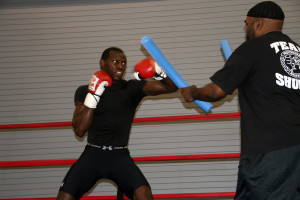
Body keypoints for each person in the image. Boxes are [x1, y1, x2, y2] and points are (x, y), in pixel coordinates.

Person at [179, 1, 300, 199]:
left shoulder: (253, 47)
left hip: (269, 151)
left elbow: (216, 91)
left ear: (258, 23)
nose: (246, 28)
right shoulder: (297, 51)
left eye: (247, 23)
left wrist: (194, 92)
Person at [57, 47, 177, 200]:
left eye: (123, 63)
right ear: (102, 63)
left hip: (119, 156)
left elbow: (171, 87)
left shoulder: (132, 88)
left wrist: (158, 72)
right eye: (115, 61)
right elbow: (80, 129)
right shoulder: (84, 91)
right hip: (92, 155)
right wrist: (94, 94)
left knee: (144, 194)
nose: (121, 66)